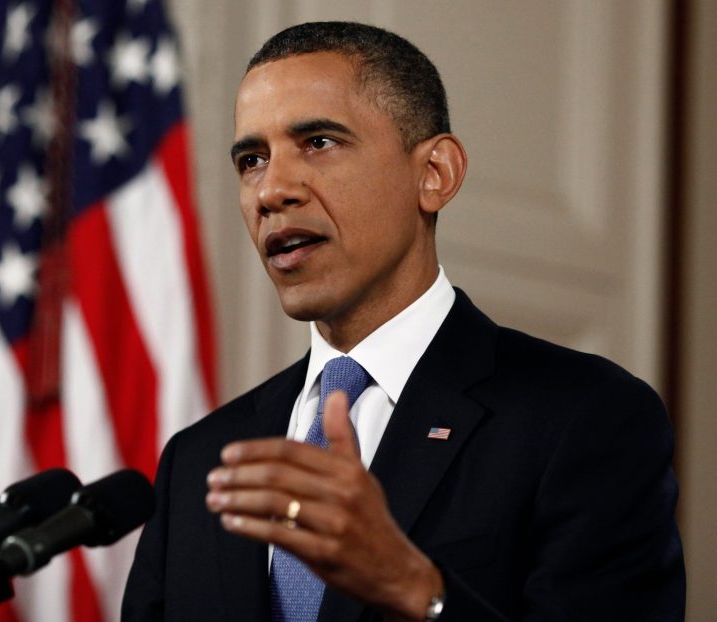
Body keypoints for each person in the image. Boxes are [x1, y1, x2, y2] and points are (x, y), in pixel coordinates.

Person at [122, 21, 685, 621]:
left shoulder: (583, 417)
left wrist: (417, 590)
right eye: (252, 159)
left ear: (435, 173)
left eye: (317, 142)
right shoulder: (201, 459)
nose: (271, 190)